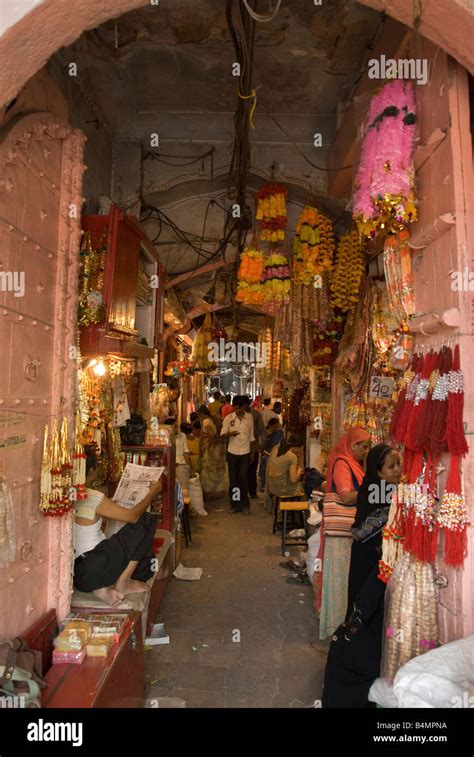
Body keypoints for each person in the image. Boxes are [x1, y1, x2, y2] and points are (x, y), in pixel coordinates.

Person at [322, 445, 401, 708]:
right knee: (363, 611)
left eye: (399, 465)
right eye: (392, 467)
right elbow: (369, 529)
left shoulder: (392, 491)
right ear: (377, 470)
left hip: (380, 565)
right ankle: (357, 676)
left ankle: (370, 674)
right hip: (368, 563)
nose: (398, 472)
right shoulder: (373, 490)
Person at [73, 446, 163, 608]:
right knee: (146, 520)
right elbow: (133, 517)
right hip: (97, 565)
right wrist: (152, 493)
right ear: (92, 470)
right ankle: (124, 582)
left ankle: (100, 590)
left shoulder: (65, 494)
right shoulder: (93, 497)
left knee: (142, 563)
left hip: (77, 576)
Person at [317, 428, 372, 640]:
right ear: (352, 445)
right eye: (363, 447)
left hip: (347, 533)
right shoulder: (342, 463)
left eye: (368, 447)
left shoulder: (352, 464)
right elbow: (347, 496)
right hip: (340, 534)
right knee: (340, 580)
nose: (365, 451)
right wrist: (373, 492)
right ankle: (337, 625)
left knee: (345, 579)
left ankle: (342, 624)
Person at [221, 395, 254, 513]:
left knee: (244, 478)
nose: (239, 410)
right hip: (232, 452)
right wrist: (231, 434)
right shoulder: (228, 418)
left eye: (241, 408)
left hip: (245, 452)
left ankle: (245, 504)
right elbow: (222, 435)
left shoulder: (249, 418)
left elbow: (251, 437)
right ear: (234, 407)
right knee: (234, 479)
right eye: (237, 408)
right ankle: (235, 505)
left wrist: (252, 453)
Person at [198, 405, 227, 500]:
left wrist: (203, 436)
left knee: (209, 471)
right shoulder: (212, 419)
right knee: (215, 471)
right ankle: (217, 491)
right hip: (215, 448)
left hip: (210, 449)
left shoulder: (206, 421)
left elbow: (211, 434)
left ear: (202, 414)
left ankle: (210, 493)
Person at [267, 433, 305, 501]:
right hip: (282, 489)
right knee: (302, 489)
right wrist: (299, 471)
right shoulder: (292, 457)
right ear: (297, 447)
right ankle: (295, 510)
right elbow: (293, 480)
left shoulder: (276, 448)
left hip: (271, 486)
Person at [242, 395, 266, 499]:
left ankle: (252, 491)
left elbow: (262, 430)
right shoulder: (237, 415)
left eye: (243, 405)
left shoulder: (255, 415)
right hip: (241, 448)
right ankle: (243, 492)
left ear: (247, 404)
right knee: (243, 471)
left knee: (252, 471)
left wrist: (262, 444)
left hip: (253, 447)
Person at [164, 418, 192, 493]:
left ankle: (184, 501)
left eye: (177, 426)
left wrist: (190, 468)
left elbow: (186, 452)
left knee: (183, 475)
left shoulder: (182, 436)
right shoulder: (164, 438)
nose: (177, 428)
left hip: (180, 466)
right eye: (175, 426)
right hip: (168, 465)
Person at [259, 418, 284, 493]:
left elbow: (281, 443)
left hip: (277, 453)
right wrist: (270, 454)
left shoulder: (279, 432)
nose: (276, 428)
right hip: (267, 454)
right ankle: (264, 485)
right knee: (266, 461)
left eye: (277, 426)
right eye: (274, 427)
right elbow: (261, 449)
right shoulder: (265, 434)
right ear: (270, 426)